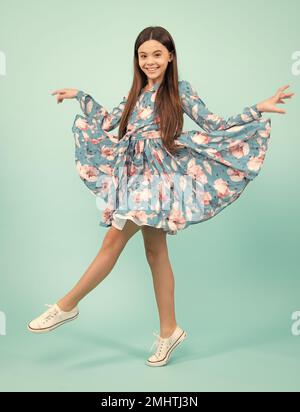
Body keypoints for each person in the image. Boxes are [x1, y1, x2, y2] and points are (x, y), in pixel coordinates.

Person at [27, 26, 295, 367]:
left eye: (156, 54)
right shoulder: (135, 93)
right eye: (143, 55)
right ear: (136, 60)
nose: (149, 61)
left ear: (170, 56)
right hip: (133, 175)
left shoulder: (180, 91)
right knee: (155, 252)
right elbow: (109, 121)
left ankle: (66, 305)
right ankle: (169, 330)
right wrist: (81, 95)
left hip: (158, 178)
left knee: (113, 241)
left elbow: (214, 124)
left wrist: (258, 108)